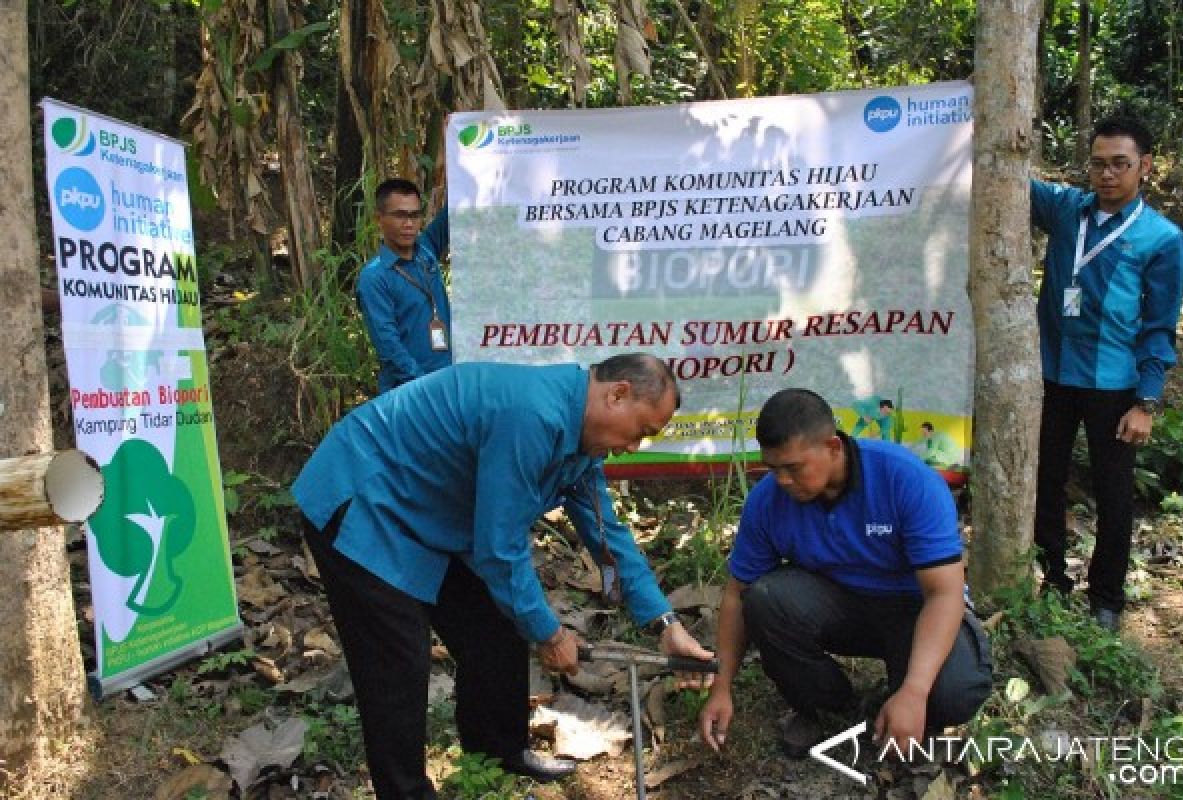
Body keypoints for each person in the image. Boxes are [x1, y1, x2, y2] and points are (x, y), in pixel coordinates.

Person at [292, 354, 713, 800]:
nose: (635, 446)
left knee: (497, 627)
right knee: (397, 663)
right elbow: (499, 550)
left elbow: (609, 536)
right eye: (643, 431)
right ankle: (406, 793)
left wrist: (666, 624)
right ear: (618, 394)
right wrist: (550, 635)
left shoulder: (581, 441)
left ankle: (496, 752)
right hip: (366, 495)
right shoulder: (532, 416)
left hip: (434, 510)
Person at [697, 388, 991, 759]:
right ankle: (825, 703)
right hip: (839, 607)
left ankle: (909, 698)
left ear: (833, 447)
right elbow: (736, 594)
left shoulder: (907, 480)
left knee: (954, 695)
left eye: (793, 467)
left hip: (914, 610)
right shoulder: (767, 501)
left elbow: (944, 594)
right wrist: (721, 686)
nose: (782, 480)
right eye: (773, 468)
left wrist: (914, 692)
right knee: (764, 598)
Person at [1031, 115, 1183, 631]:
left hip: (1114, 386)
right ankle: (1051, 578)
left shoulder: (1161, 238)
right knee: (1045, 482)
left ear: (1143, 166)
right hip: (1050, 377)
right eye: (1098, 163)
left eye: (1120, 164)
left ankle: (1106, 599)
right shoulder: (1065, 210)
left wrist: (1145, 401)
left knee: (1113, 496)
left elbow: (1161, 325)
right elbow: (1009, 181)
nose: (1107, 175)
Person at [356, 179, 452, 393]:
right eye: (400, 215)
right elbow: (389, 347)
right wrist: (426, 387)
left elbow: (453, 212)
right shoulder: (375, 277)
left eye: (414, 215)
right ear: (379, 219)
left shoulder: (425, 252)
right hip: (411, 393)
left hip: (448, 381)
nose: (409, 224)